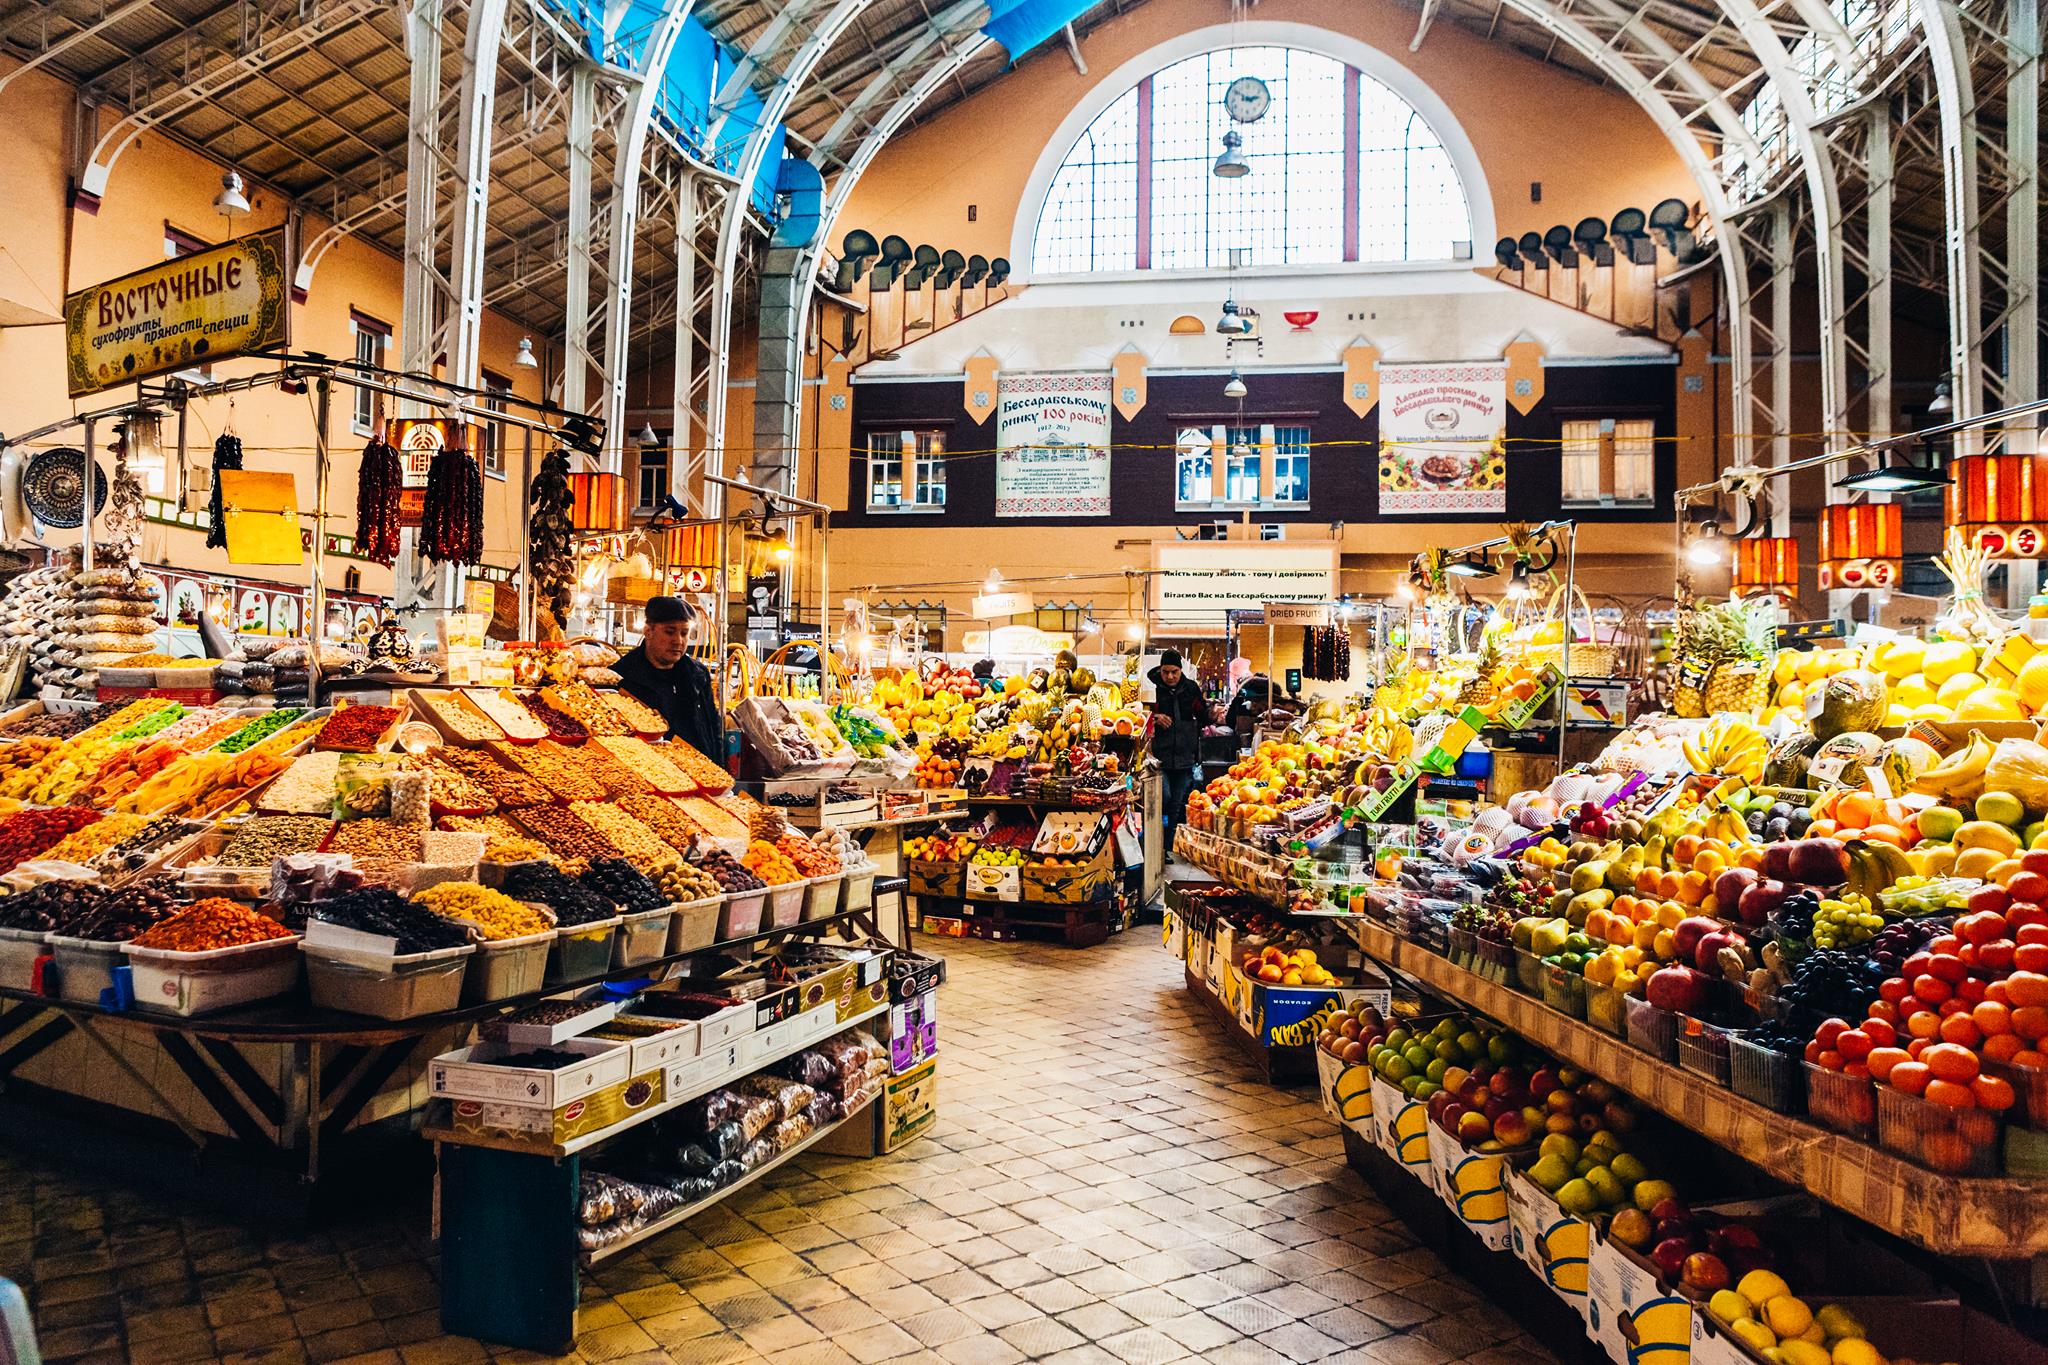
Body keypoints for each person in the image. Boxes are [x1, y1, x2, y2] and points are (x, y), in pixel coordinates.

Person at [613, 596, 725, 759]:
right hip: (654, 771)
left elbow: (713, 730)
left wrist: (719, 768)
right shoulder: (622, 676)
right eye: (670, 632)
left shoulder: (698, 675)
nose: (678, 641)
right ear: (648, 632)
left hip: (701, 770)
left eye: (684, 633)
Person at [1147, 649, 1207, 850]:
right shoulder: (1151, 688)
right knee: (1164, 796)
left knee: (1176, 805)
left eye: (1174, 672)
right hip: (1158, 757)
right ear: (1160, 670)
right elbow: (1138, 713)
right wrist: (1154, 718)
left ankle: (1167, 847)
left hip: (1184, 756)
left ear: (1181, 671)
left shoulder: (1191, 689)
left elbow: (1203, 715)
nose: (1170, 676)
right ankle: (1154, 843)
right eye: (1166, 672)